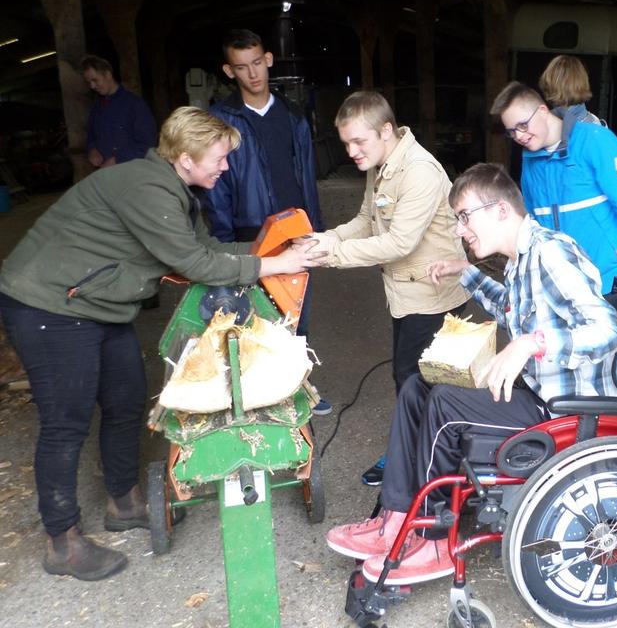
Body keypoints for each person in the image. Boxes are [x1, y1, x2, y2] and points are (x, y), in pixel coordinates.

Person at [0, 107, 324, 582]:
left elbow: (210, 250)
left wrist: (279, 251)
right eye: (219, 158)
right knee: (66, 422)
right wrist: (273, 268)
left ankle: (123, 500)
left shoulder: (175, 191)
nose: (225, 167)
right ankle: (62, 542)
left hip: (96, 304)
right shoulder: (147, 188)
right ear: (187, 157)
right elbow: (195, 263)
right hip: (51, 305)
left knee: (127, 399)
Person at [323, 162, 617, 585]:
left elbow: (607, 330)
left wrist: (532, 343)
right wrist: (464, 273)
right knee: (417, 386)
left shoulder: (551, 253)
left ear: (500, 210)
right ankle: (394, 518)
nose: (461, 229)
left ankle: (432, 540)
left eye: (465, 217)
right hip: (537, 395)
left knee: (445, 402)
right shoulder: (523, 256)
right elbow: (511, 308)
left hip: (563, 413)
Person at [306, 91, 468, 486]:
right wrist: (325, 239)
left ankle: (417, 464)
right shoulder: (380, 166)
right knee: (410, 382)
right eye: (346, 143)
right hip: (406, 296)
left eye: (358, 141)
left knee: (420, 385)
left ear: (386, 130)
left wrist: (333, 256)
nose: (351, 151)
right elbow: (365, 219)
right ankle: (418, 456)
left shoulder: (420, 171)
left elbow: (399, 243)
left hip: (433, 298)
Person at [203, 29, 329, 413]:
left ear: (269, 60)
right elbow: (216, 185)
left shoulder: (292, 116)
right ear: (229, 70)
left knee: (296, 314)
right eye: (242, 67)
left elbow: (307, 175)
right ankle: (255, 399)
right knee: (252, 318)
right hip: (246, 234)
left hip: (292, 232)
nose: (253, 74)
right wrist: (222, 242)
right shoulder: (221, 119)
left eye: (257, 63)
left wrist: (316, 233)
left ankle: (298, 389)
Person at [491, 80, 617, 295]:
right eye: (511, 132)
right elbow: (535, 227)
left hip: (614, 282)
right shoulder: (530, 159)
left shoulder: (595, 141)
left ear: (542, 111)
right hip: (566, 288)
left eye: (522, 125)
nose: (518, 136)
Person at [81, 55, 158, 169]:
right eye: (89, 82)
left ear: (108, 74)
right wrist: (92, 149)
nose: (92, 86)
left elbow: (148, 145)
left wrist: (118, 159)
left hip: (131, 174)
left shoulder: (135, 105)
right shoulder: (97, 107)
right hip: (106, 175)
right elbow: (91, 135)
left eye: (95, 80)